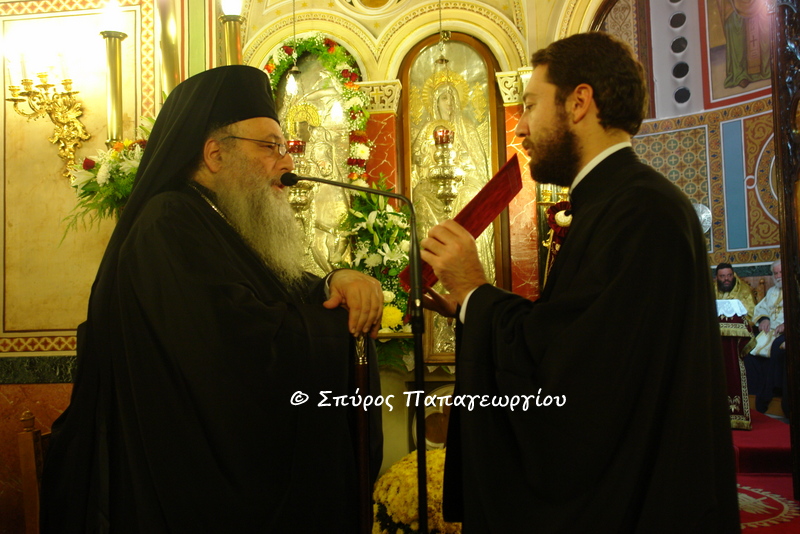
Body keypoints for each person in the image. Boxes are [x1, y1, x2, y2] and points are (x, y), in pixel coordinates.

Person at [40, 65, 384, 533]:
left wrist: (334, 282)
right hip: (184, 487)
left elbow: (275, 289)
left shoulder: (220, 220)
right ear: (216, 154)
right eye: (270, 146)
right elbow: (235, 348)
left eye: (284, 147)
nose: (287, 163)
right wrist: (339, 326)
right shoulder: (168, 223)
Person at [421, 32, 740, 532]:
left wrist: (476, 293)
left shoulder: (640, 212)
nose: (520, 128)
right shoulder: (623, 202)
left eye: (530, 105)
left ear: (578, 102)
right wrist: (468, 307)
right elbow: (579, 334)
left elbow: (576, 380)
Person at [744, 260, 787, 415]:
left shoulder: (795, 288)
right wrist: (764, 319)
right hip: (770, 331)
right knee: (749, 350)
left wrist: (787, 324)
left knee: (777, 349)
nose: (778, 276)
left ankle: (771, 392)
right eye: (776, 273)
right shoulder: (772, 291)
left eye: (781, 272)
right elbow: (761, 308)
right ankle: (754, 393)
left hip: (787, 334)